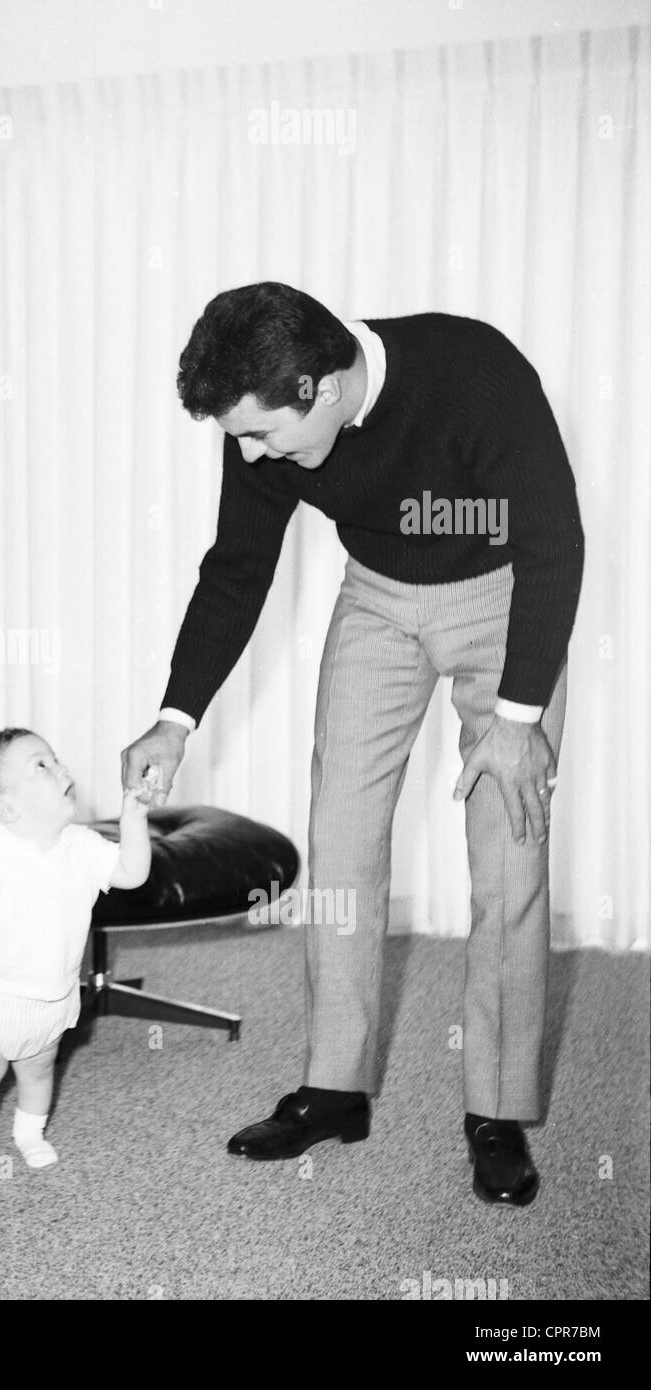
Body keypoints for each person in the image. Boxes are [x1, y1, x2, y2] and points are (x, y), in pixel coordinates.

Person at [121, 283, 583, 1207]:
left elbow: (552, 541)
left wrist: (520, 722)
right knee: (340, 840)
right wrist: (175, 717)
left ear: (322, 388)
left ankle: (495, 1110)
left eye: (261, 435)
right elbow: (238, 566)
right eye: (239, 439)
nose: (251, 455)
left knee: (508, 855)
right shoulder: (264, 415)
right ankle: (335, 1087)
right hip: (376, 597)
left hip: (503, 600)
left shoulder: (474, 373)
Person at [0, 729, 151, 1178]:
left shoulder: (83, 845)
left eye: (56, 760)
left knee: (40, 1068)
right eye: (42, 764)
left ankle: (29, 1134)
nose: (61, 769)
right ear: (5, 808)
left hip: (52, 993)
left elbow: (131, 873)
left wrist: (134, 822)